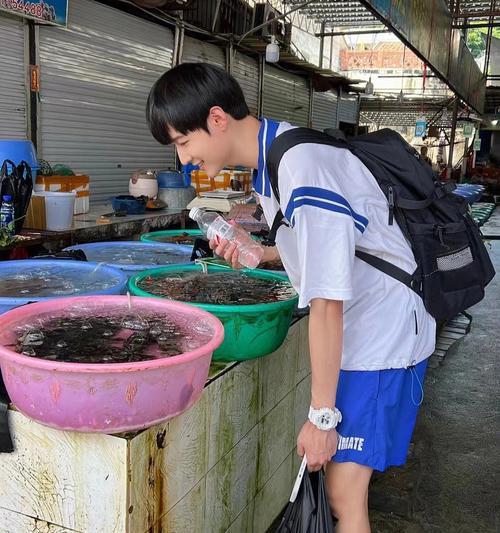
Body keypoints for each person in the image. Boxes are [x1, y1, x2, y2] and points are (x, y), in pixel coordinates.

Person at [146, 62, 436, 533]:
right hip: (364, 331)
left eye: (183, 142)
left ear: (217, 119)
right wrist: (261, 254)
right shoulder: (271, 163)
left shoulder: (303, 167)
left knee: (343, 494)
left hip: (384, 337)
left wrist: (322, 418)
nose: (183, 160)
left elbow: (326, 301)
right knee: (345, 492)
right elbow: (326, 250)